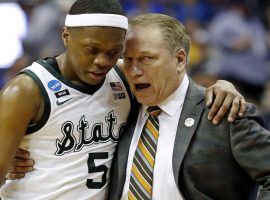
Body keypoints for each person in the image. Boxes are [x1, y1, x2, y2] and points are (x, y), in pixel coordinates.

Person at [0, 0, 246, 199]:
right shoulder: (26, 90)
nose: (102, 61)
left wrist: (222, 86)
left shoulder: (122, 74)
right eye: (91, 49)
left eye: (113, 52)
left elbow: (175, 83)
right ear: (65, 35)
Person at [108, 13, 270, 200]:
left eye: (146, 58)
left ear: (180, 60)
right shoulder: (120, 104)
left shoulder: (224, 110)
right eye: (128, 59)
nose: (134, 71)